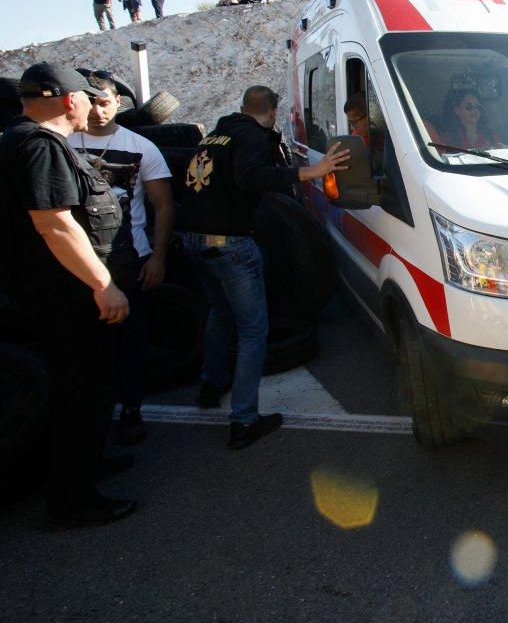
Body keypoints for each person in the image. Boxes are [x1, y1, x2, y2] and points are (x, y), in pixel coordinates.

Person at [0, 63, 135, 529]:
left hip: (56, 294)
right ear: (65, 98)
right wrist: (104, 285)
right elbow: (54, 222)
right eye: (85, 96)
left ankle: (82, 470)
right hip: (69, 297)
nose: (90, 105)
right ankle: (72, 501)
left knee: (81, 390)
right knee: (82, 392)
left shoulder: (23, 139)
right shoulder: (38, 144)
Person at [179, 86, 349, 450]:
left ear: (243, 107)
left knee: (219, 313)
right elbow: (252, 177)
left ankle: (211, 385)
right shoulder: (252, 137)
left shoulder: (214, 136)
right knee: (254, 332)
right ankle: (243, 421)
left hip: (193, 241)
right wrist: (310, 172)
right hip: (229, 246)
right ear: (272, 112)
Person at [69, 72, 173, 446]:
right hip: (77, 266)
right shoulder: (62, 144)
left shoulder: (142, 147)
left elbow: (163, 206)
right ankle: (90, 428)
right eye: (91, 101)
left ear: (117, 105)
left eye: (105, 102)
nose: (97, 109)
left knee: (131, 346)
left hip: (130, 262)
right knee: (85, 354)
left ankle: (131, 412)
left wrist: (157, 259)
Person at [435, 89, 501, 150]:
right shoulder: (447, 139)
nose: (475, 110)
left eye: (478, 106)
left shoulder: (491, 136)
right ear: (457, 110)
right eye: (469, 106)